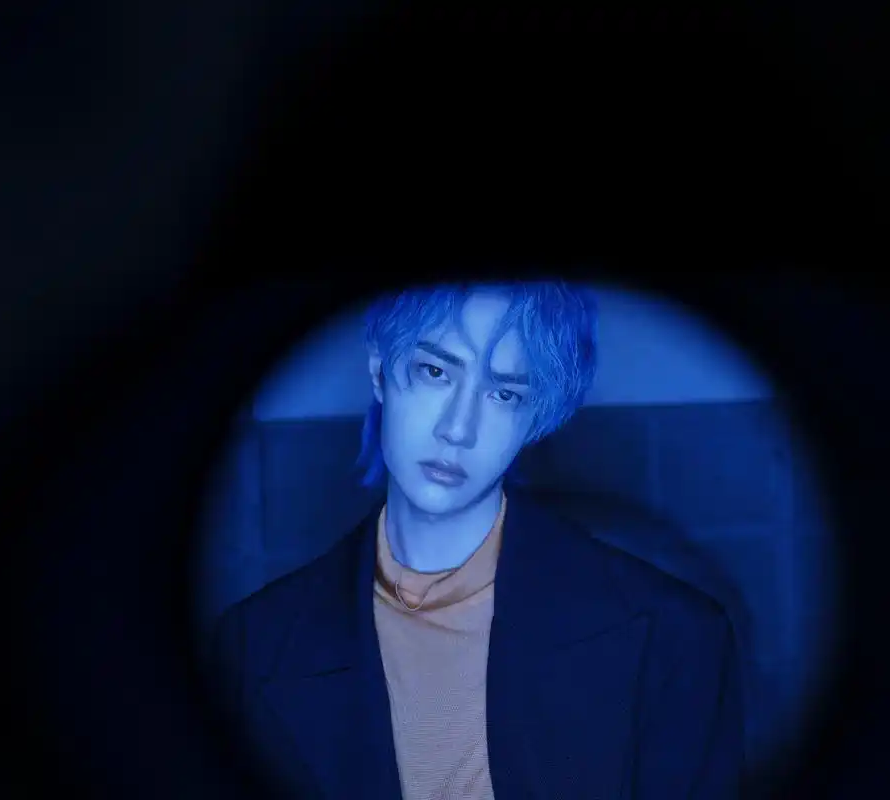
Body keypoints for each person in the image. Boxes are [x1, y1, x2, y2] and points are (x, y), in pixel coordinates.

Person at [212, 281, 745, 799]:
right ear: (379, 370)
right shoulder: (250, 647)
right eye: (435, 371)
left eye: (503, 393)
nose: (458, 428)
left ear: (535, 419)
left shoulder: (675, 637)